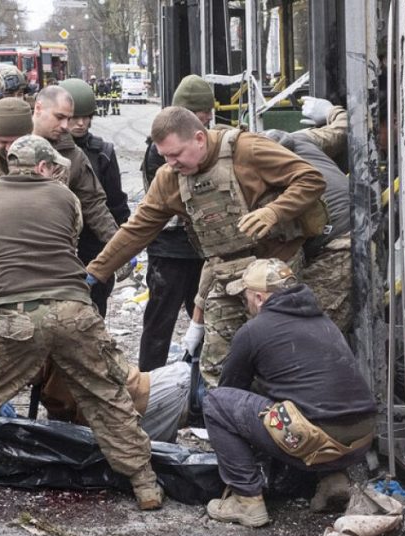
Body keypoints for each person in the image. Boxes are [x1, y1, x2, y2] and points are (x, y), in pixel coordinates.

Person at [0, 135, 163, 518]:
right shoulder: (66, 198)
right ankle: (145, 484)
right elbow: (70, 239)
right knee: (107, 396)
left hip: (13, 315)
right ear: (44, 167)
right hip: (73, 311)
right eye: (56, 168)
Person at [86, 106, 328, 387]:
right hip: (226, 272)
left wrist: (274, 211)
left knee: (281, 353)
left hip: (273, 268)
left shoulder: (247, 150)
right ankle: (225, 418)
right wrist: (95, 273)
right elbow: (136, 230)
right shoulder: (168, 180)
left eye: (176, 154)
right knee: (216, 366)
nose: (171, 162)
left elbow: (310, 179)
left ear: (200, 138)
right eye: (165, 156)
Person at [202, 259, 377, 527]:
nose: (244, 303)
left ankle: (246, 501)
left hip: (311, 440)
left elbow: (230, 391)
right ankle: (334, 480)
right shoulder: (324, 322)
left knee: (215, 403)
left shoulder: (253, 331)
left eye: (245, 296)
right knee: (312, 401)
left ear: (259, 298)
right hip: (361, 439)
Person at [138, 75, 214, 371]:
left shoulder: (197, 141)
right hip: (169, 249)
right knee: (160, 321)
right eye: (204, 113)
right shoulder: (164, 150)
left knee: (205, 316)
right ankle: (149, 384)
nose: (208, 118)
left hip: (195, 249)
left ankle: (198, 378)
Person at [263, 129, 352, 334]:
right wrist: (331, 110)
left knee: (308, 331)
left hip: (339, 242)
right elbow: (340, 127)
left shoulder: (264, 171)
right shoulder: (301, 138)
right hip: (356, 225)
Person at [60, 78, 131, 315]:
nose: (80, 124)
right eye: (74, 118)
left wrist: (121, 245)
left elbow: (116, 203)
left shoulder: (103, 153)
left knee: (95, 311)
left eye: (86, 117)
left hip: (95, 243)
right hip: (60, 243)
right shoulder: (43, 149)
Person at [31, 85, 120, 262]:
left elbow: (93, 204)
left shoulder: (74, 155)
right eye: (59, 117)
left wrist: (118, 249)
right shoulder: (7, 140)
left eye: (68, 118)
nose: (65, 126)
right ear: (39, 108)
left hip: (58, 253)